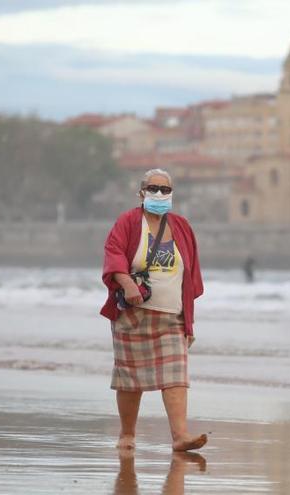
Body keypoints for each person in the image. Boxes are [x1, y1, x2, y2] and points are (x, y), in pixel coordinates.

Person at [100, 168, 208, 452]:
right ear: (141, 193)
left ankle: (180, 436)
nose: (159, 194)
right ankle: (127, 434)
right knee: (129, 378)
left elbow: (191, 276)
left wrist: (188, 323)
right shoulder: (128, 221)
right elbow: (113, 254)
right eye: (153, 188)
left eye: (165, 190)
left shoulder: (182, 226)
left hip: (171, 315)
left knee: (176, 376)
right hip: (133, 316)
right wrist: (127, 283)